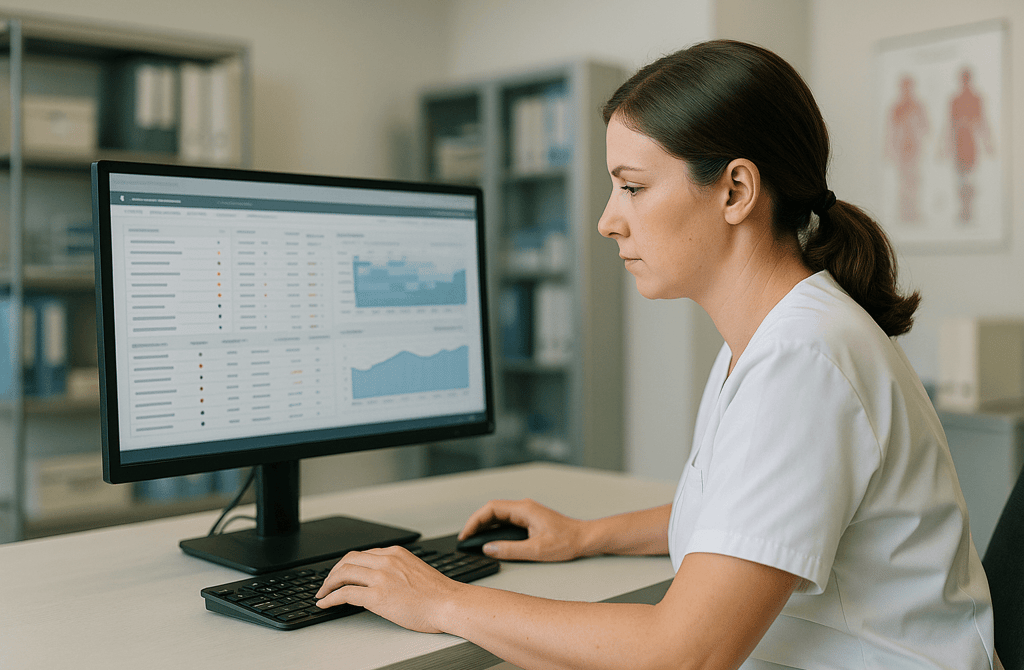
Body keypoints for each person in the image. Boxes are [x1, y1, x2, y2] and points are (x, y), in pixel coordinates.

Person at [316, 40, 1000, 670]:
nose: (608, 219)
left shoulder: (804, 361)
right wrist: (586, 536)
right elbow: (745, 518)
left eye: (633, 186)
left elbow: (683, 656)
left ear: (735, 190)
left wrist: (440, 603)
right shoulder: (775, 337)